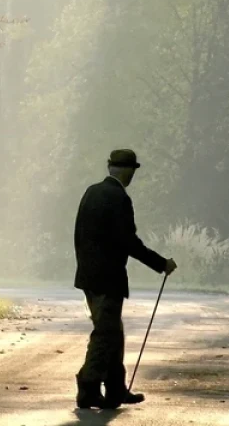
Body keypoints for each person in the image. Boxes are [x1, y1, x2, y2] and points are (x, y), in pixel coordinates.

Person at [73, 148, 177, 409]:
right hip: (108, 278)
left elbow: (79, 235)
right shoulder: (119, 198)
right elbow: (128, 241)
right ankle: (88, 386)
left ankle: (116, 389)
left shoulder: (91, 192)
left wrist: (84, 268)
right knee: (105, 334)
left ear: (110, 167)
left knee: (113, 332)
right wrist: (161, 263)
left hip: (88, 276)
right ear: (129, 171)